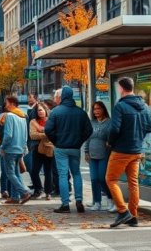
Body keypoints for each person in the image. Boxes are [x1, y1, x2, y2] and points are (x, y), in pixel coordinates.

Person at [107, 77, 151, 228]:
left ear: (121, 88)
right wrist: (138, 139)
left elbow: (114, 129)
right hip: (137, 150)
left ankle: (122, 211)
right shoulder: (144, 106)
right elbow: (149, 127)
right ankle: (133, 215)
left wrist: (111, 142)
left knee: (111, 179)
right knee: (133, 182)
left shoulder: (120, 106)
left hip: (121, 150)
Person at [45, 86, 93, 214]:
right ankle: (79, 200)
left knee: (62, 175)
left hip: (61, 147)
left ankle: (65, 204)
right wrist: (79, 141)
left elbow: (48, 130)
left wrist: (56, 141)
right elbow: (89, 130)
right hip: (75, 148)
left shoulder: (56, 111)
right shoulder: (80, 112)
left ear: (62, 96)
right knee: (76, 173)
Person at [0, 96, 32, 205]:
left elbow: (8, 135)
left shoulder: (10, 116)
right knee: (16, 173)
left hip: (10, 149)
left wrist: (2, 147)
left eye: (7, 103)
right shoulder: (23, 116)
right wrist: (24, 148)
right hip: (20, 149)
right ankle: (14, 197)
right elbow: (25, 135)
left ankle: (24, 192)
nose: (5, 105)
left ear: (12, 103)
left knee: (10, 173)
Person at [85, 101, 113, 212]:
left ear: (103, 110)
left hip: (104, 155)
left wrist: (109, 142)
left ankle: (110, 200)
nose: (96, 111)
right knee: (94, 179)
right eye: (94, 109)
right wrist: (86, 152)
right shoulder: (92, 122)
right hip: (92, 154)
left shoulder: (109, 122)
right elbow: (88, 138)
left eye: (98, 109)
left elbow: (113, 136)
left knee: (102, 179)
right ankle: (97, 202)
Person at [29, 102, 54, 200]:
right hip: (37, 149)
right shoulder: (33, 121)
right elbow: (32, 135)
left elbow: (54, 134)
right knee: (34, 171)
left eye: (41, 110)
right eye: (38, 110)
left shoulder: (51, 121)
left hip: (49, 148)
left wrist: (41, 132)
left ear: (45, 110)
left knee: (48, 171)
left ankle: (48, 192)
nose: (39, 112)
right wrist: (46, 133)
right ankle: (38, 189)